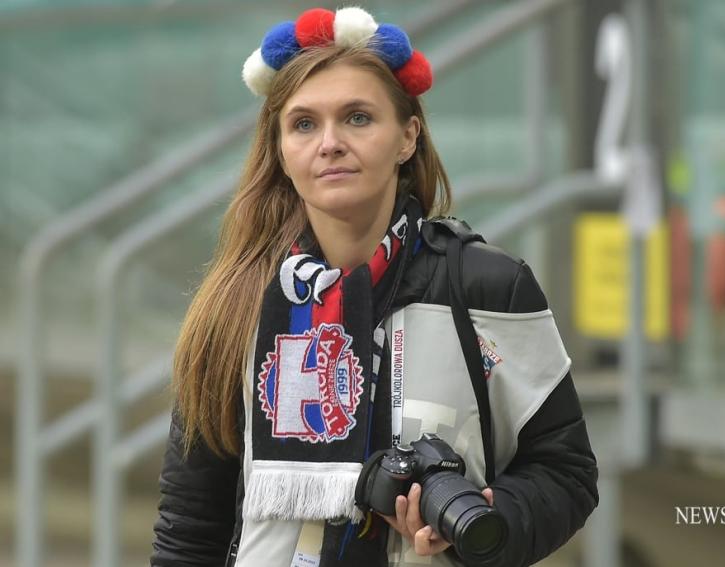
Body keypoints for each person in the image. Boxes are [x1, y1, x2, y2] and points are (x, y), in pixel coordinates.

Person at [151, 6, 598, 567]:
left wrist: (487, 519)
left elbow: (567, 473)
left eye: (358, 118)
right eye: (304, 124)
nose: (330, 143)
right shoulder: (236, 305)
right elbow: (191, 525)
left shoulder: (488, 287)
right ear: (281, 151)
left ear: (407, 136)